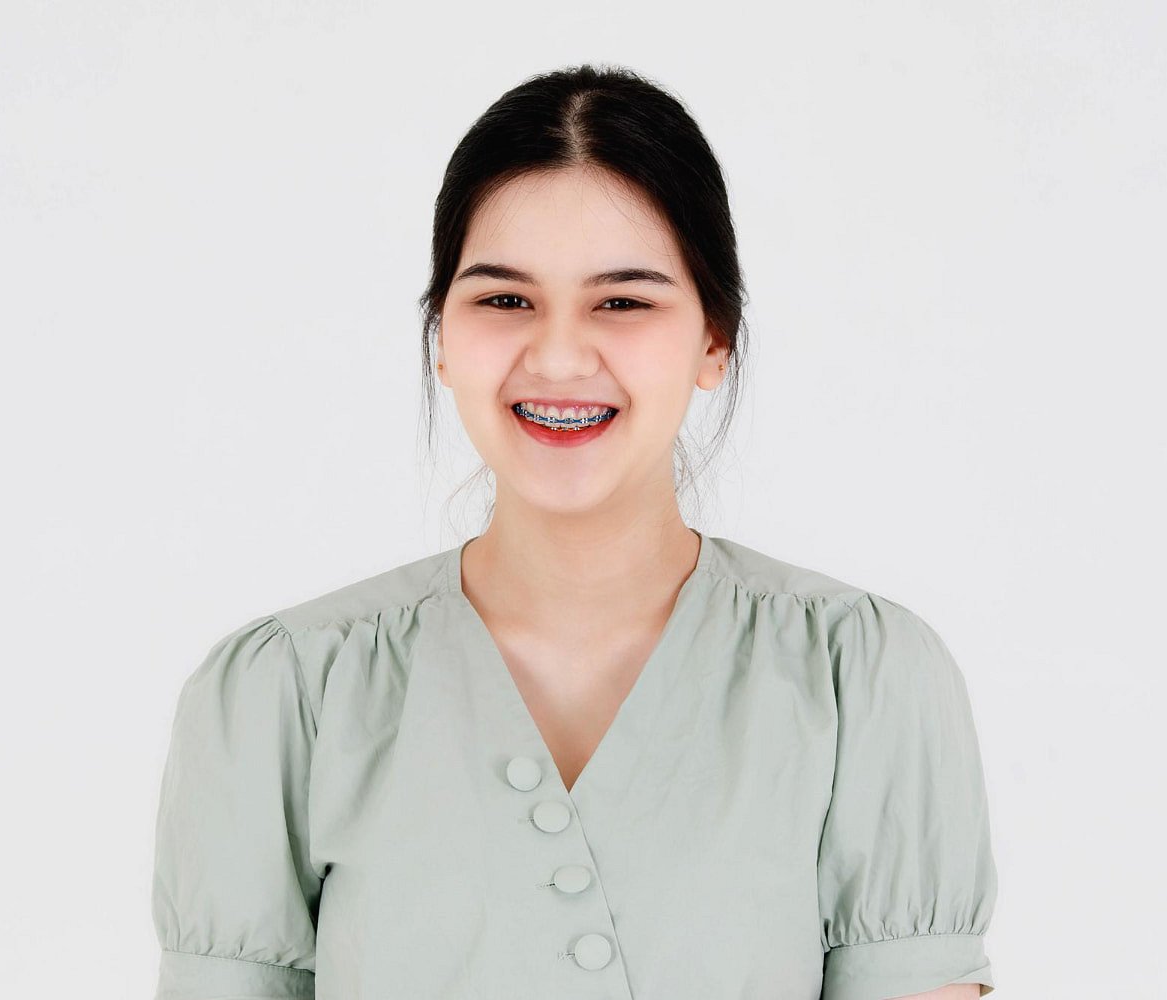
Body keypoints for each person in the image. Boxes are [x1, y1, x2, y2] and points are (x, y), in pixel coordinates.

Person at [149, 63, 998, 1000]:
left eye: (623, 301)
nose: (556, 355)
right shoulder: (281, 694)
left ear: (714, 338)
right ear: (442, 336)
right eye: (504, 299)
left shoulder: (863, 680)